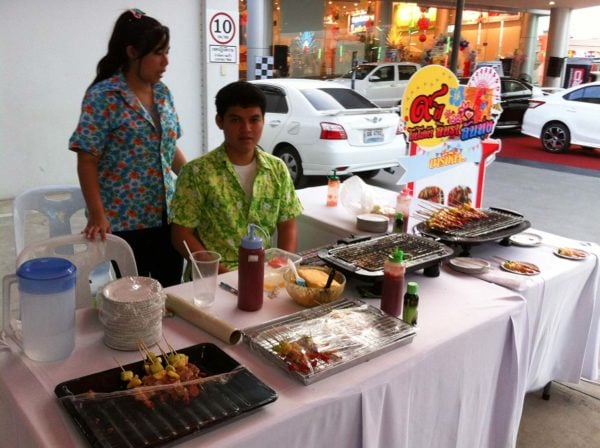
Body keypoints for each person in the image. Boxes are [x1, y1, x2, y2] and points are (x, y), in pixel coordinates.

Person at [69, 8, 186, 287]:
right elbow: (87, 159)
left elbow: (169, 150)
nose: (166, 61)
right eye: (158, 53)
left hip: (167, 214)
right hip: (123, 222)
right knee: (133, 297)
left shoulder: (162, 92)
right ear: (133, 52)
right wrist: (98, 214)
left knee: (170, 291)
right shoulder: (103, 96)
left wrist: (197, 180)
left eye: (167, 51)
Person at [170, 81, 303, 273]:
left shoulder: (277, 169)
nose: (246, 128)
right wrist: (219, 273)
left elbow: (288, 225)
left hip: (265, 274)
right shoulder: (197, 172)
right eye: (235, 120)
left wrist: (282, 266)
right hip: (213, 279)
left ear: (263, 121)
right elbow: (181, 234)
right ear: (219, 121)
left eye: (254, 120)